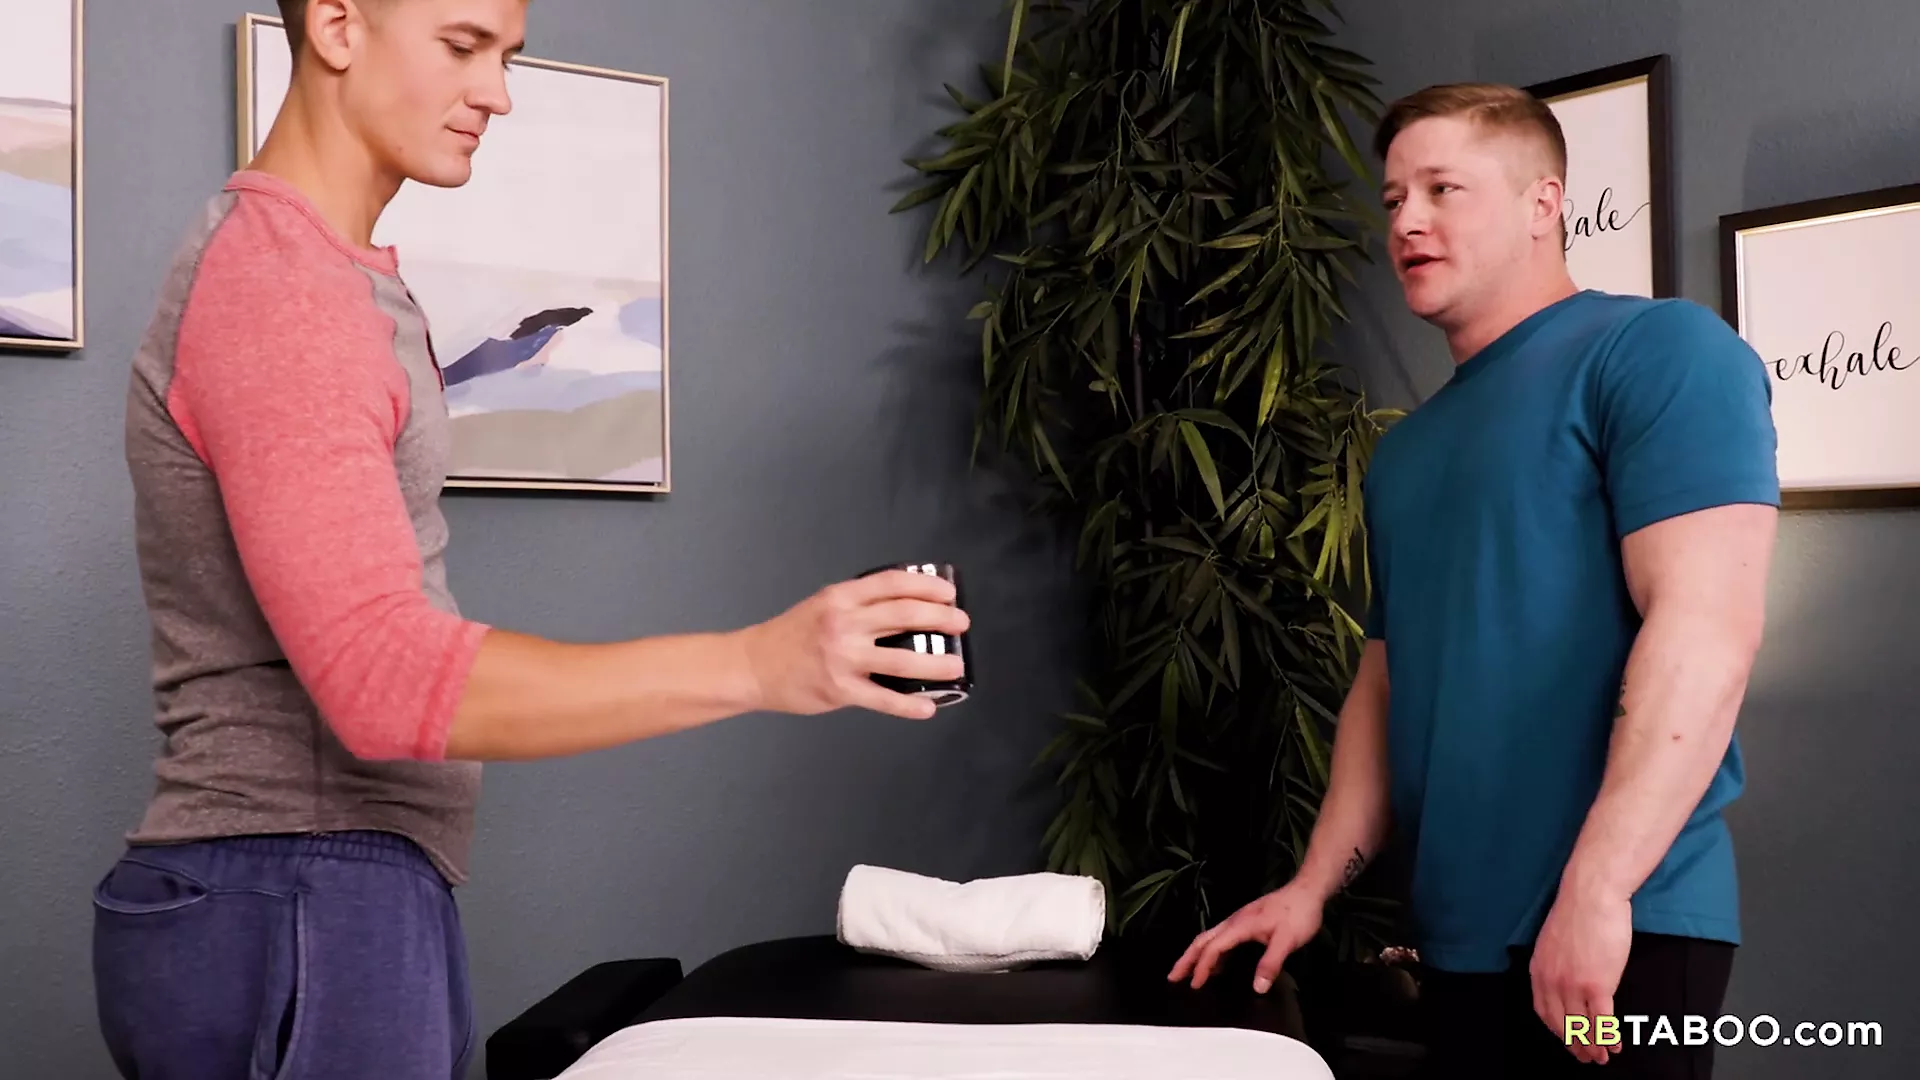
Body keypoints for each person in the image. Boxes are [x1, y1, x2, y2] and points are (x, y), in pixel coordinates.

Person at [92, 2, 969, 1077]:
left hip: (317, 890)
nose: (498, 94)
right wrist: (760, 664)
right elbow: (380, 678)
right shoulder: (285, 290)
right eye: (463, 47)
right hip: (295, 892)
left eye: (505, 56)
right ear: (336, 25)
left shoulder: (327, 274)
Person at [1167, 81, 1779, 1079]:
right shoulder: (1406, 452)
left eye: (1442, 189)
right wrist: (1313, 886)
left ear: (1544, 203)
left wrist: (1598, 891)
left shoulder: (1660, 350)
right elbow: (1386, 682)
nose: (1406, 220)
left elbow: (1706, 630)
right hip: (1457, 943)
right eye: (1394, 197)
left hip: (1619, 934)